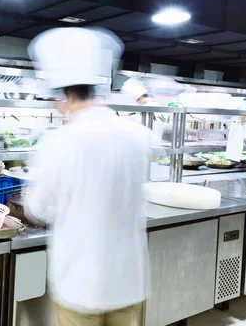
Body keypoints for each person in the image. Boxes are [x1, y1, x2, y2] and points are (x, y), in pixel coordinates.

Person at [25, 27, 152, 326]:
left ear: (66, 95)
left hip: (80, 281)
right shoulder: (138, 135)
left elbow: (38, 209)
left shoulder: (58, 142)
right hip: (127, 279)